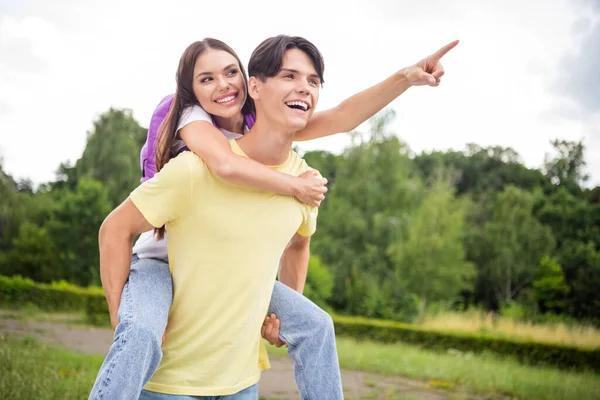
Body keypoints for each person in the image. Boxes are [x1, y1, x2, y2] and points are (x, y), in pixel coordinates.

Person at [90, 34, 458, 400]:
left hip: (237, 269)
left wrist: (406, 78)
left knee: (317, 326)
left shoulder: (257, 118)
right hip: (163, 254)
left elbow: (343, 118)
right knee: (138, 331)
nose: (223, 85)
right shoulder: (188, 120)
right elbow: (226, 164)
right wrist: (293, 186)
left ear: (244, 78)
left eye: (230, 72)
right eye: (207, 79)